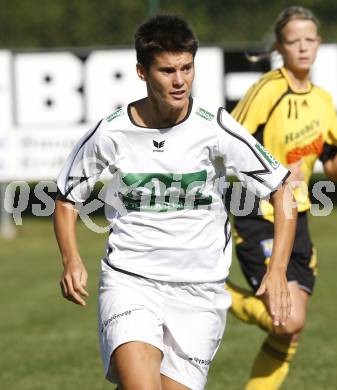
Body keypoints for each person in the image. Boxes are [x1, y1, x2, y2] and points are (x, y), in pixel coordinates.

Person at [53, 14, 297, 390]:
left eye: (187, 68)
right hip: (132, 280)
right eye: (167, 71)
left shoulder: (214, 127)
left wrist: (277, 270)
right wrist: (71, 261)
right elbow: (67, 198)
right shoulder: (112, 131)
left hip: (201, 292)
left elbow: (282, 191)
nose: (180, 80)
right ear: (142, 72)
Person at [228, 5, 337, 390]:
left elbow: (329, 158)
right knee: (286, 318)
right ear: (280, 46)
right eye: (294, 41)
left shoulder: (323, 100)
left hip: (299, 216)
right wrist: (269, 173)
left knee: (288, 331)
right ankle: (214, 294)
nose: (303, 48)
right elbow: (228, 144)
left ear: (319, 43)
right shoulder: (267, 90)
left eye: (310, 40)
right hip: (257, 212)